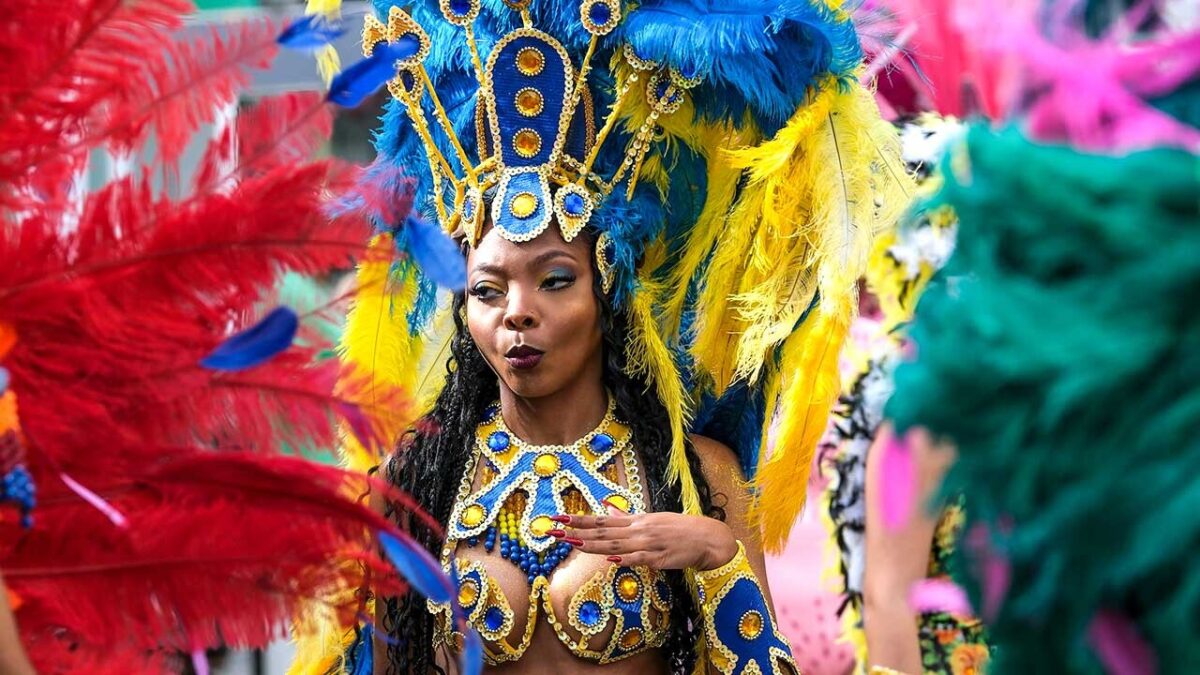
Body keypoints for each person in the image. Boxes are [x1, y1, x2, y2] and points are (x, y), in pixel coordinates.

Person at [313, 0, 912, 673]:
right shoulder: (420, 474)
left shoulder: (697, 475)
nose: (517, 311)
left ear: (606, 290)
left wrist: (718, 558)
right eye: (488, 290)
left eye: (555, 280)